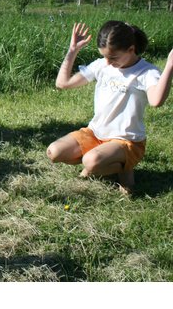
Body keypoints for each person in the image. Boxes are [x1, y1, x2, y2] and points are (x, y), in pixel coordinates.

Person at [46, 21, 173, 195]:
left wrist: (170, 64)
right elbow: (62, 83)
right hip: (95, 134)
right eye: (104, 56)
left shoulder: (146, 72)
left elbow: (156, 101)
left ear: (131, 49)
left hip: (127, 141)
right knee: (54, 152)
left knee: (90, 161)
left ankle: (123, 167)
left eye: (113, 58)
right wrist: (73, 50)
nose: (108, 62)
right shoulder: (102, 65)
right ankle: (108, 163)